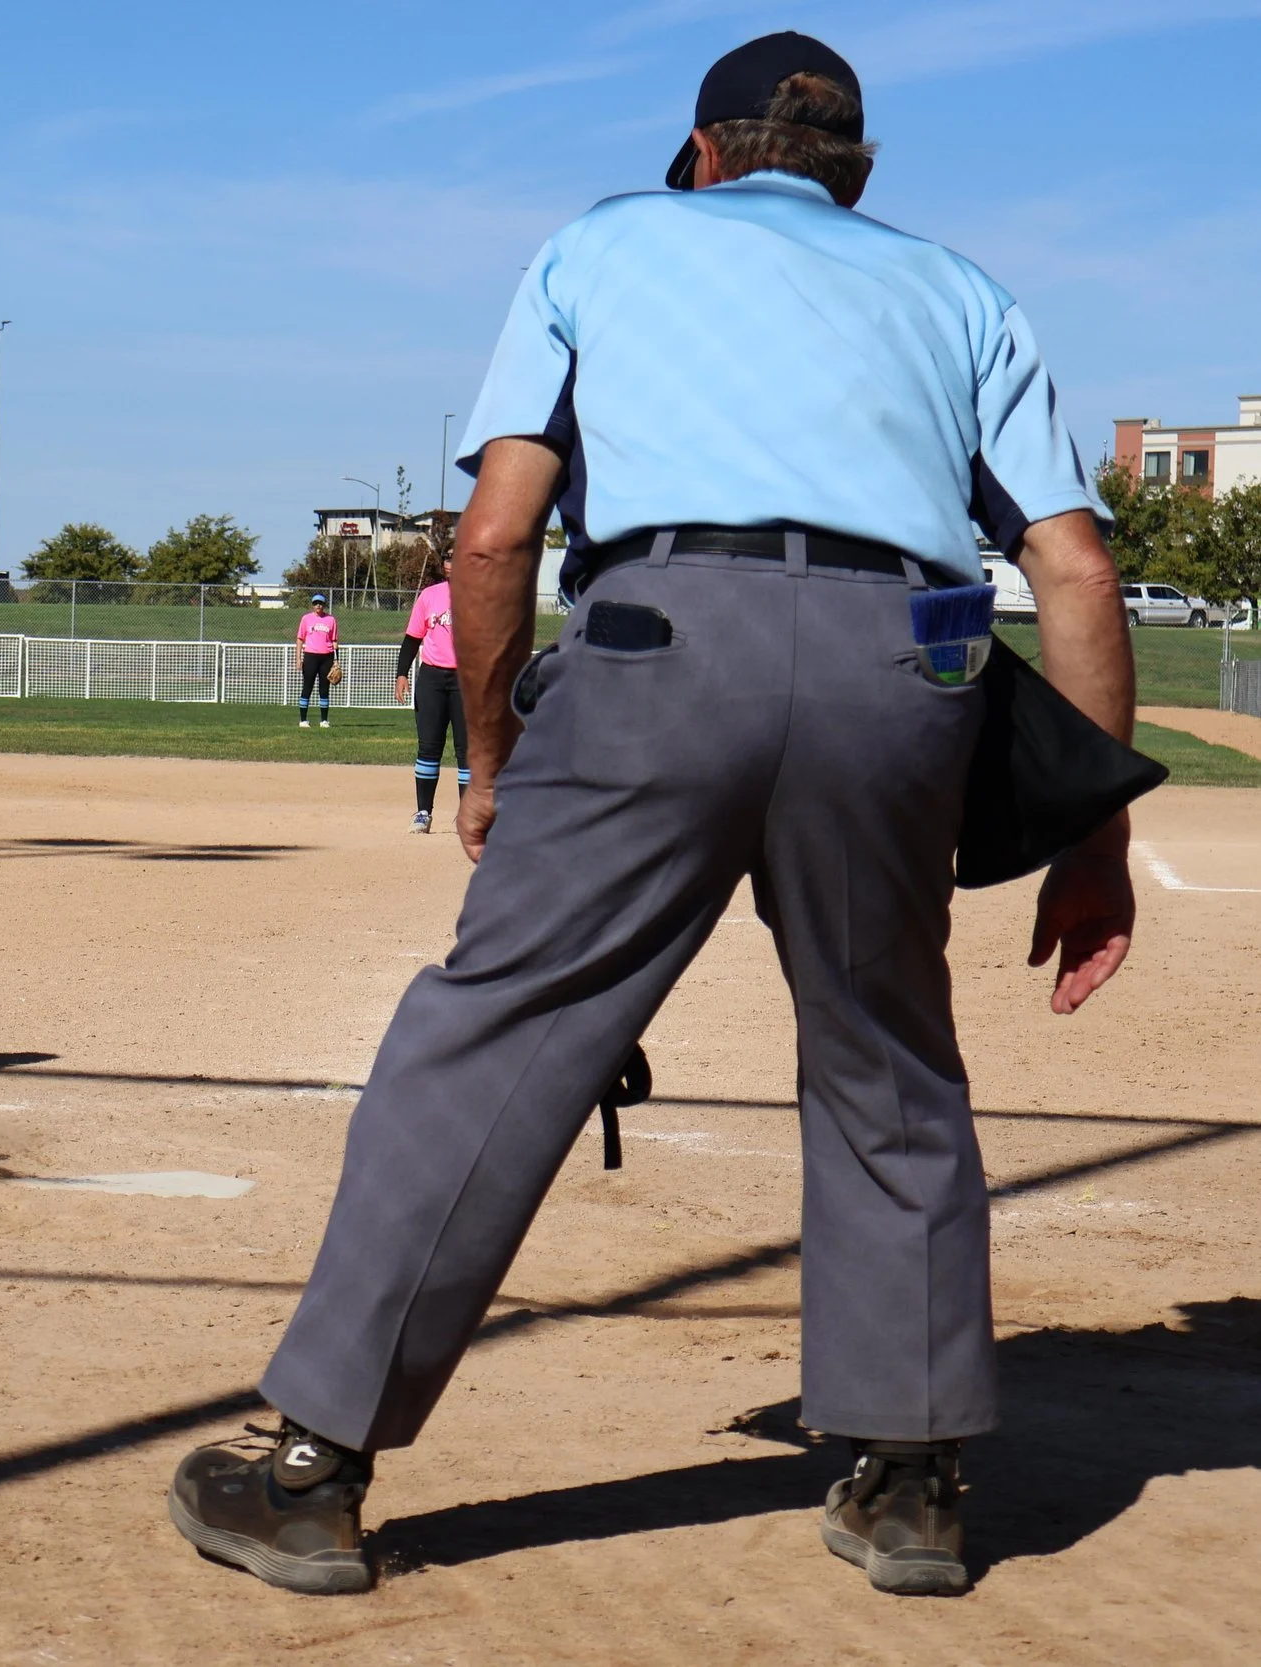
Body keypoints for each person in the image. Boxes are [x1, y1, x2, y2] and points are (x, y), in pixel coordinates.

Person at [167, 32, 1137, 1599]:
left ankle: (315, 1467)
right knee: (887, 1051)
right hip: (911, 659)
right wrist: (1094, 840)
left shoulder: (600, 243)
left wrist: (488, 758)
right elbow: (1077, 569)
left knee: (496, 1032)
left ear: (701, 154)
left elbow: (496, 539)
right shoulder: (961, 291)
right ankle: (914, 1481)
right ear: (856, 174)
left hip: (659, 646)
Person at [392, 556, 467, 831]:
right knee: (429, 747)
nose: (452, 561)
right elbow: (413, 638)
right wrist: (401, 674)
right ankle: (423, 812)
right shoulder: (429, 596)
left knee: (467, 750)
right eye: (448, 556)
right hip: (432, 678)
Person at [294, 594, 338, 728]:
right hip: (310, 656)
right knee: (307, 687)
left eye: (320, 603)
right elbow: (300, 639)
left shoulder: (331, 620)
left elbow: (334, 640)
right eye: (315, 603)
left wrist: (337, 660)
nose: (318, 605)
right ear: (312, 605)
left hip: (327, 656)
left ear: (324, 605)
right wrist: (298, 658)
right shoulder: (306, 619)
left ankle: (324, 720)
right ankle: (303, 720)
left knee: (324, 689)